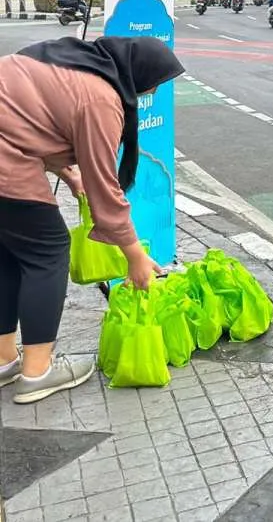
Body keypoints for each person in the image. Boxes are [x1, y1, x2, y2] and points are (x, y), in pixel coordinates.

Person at [0, 36, 182, 404]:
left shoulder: (75, 64)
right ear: (139, 73)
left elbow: (28, 121)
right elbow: (105, 188)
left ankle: (4, 360)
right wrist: (135, 256)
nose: (153, 90)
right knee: (47, 253)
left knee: (8, 254)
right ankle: (38, 372)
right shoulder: (100, 98)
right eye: (156, 82)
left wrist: (68, 175)